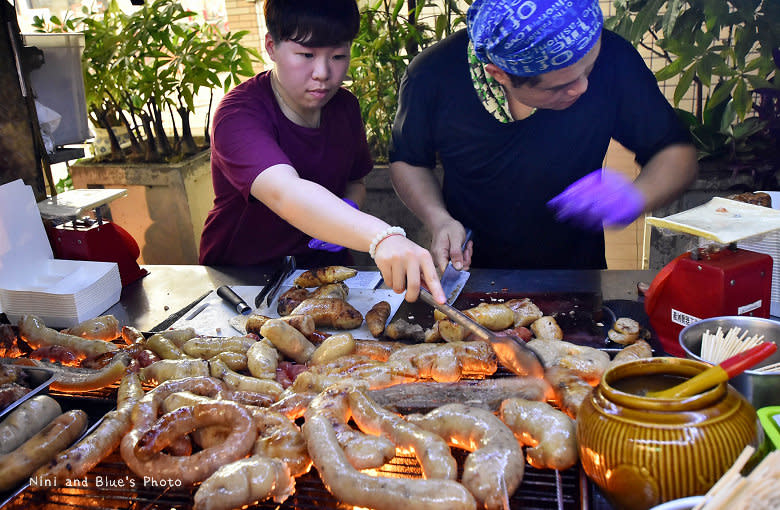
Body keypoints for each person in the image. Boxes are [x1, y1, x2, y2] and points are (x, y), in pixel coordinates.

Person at [389, 0, 699, 272]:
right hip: (471, 272)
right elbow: (409, 160)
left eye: (589, 70)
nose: (582, 88)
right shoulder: (432, 75)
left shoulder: (615, 59)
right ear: (499, 74)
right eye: (559, 87)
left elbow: (675, 153)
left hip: (576, 275)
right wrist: (438, 219)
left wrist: (636, 196)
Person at [199, 0, 444, 302]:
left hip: (327, 275)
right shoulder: (238, 115)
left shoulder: (344, 106)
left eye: (338, 56)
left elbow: (354, 181)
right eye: (306, 55)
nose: (323, 73)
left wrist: (349, 206)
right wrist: (382, 236)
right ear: (271, 47)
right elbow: (284, 192)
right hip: (245, 280)